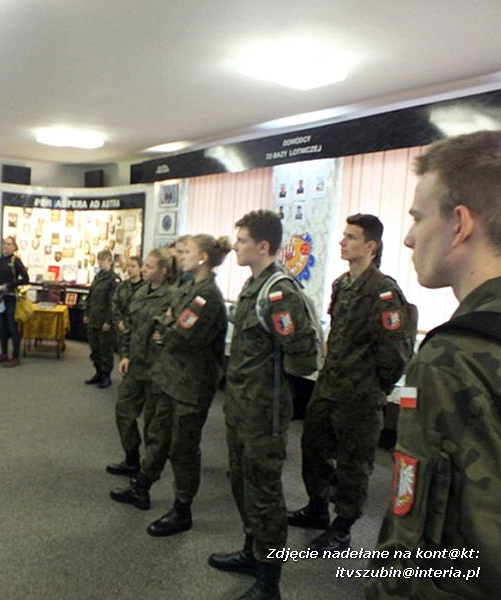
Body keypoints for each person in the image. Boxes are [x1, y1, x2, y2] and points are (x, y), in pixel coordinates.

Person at [366, 131, 501, 599]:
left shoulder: (453, 359)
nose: (408, 238)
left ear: (460, 224)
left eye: (418, 218)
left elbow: (426, 557)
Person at [207, 210, 318, 600]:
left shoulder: (279, 292)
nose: (235, 246)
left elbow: (304, 357)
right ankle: (252, 552)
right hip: (242, 406)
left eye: (242, 241)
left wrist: (272, 382)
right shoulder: (254, 285)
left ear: (263, 246)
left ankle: (270, 582)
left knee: (265, 493)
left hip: (264, 412)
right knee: (242, 482)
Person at [287, 214, 413, 552]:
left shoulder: (384, 293)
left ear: (371, 246)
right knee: (313, 449)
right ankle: (317, 509)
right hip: (329, 387)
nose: (342, 242)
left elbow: (395, 354)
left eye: (351, 237)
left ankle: (343, 527)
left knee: (353, 462)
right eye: (343, 235)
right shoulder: (341, 285)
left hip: (360, 395)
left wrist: (375, 387)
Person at [115, 235, 228, 536]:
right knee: (158, 435)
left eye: (186, 251)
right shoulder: (188, 289)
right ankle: (141, 487)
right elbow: (166, 321)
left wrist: (167, 327)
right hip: (170, 376)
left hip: (192, 384)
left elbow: (180, 335)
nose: (180, 256)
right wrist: (168, 324)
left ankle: (182, 509)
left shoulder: (206, 295)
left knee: (183, 449)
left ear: (202, 257)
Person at [106, 249, 173, 479]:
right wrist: (125, 354)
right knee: (123, 412)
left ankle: (148, 471)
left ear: (163, 270)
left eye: (150, 266)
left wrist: (166, 334)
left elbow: (177, 333)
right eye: (144, 265)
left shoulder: (173, 296)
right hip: (135, 365)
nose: (144, 269)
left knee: (154, 425)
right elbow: (129, 327)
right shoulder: (141, 292)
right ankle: (132, 459)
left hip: (157, 369)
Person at [83, 249, 120, 389]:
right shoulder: (97, 277)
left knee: (105, 349)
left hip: (104, 321)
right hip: (93, 319)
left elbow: (113, 303)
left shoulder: (114, 279)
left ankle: (106, 376)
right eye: (99, 260)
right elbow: (90, 297)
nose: (100, 263)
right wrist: (86, 313)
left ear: (110, 261)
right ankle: (98, 372)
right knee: (95, 349)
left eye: (102, 260)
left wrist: (109, 321)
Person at [0, 236, 29, 368]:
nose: (6, 246)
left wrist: (9, 285)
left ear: (14, 247)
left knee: (12, 327)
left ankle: (15, 356)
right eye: (4, 244)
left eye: (9, 244)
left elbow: (25, 278)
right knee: (1, 327)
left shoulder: (15, 261)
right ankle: (4, 354)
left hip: (11, 298)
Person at [110, 256, 144, 337]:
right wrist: (119, 321)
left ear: (140, 268)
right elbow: (115, 305)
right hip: (121, 330)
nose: (129, 269)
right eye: (128, 266)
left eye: (133, 266)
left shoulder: (145, 287)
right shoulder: (122, 286)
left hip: (138, 331)